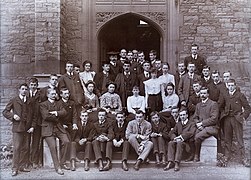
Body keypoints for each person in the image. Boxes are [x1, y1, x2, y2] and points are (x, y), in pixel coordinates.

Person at [2, 83, 34, 176]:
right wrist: (13, 116)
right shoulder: (14, 100)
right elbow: (5, 112)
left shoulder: (30, 101)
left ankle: (23, 166)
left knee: (26, 148)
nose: (24, 91)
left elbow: (33, 115)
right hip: (17, 128)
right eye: (22, 89)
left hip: (27, 128)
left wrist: (32, 126)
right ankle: (14, 168)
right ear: (19, 90)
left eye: (26, 89)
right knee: (17, 148)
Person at [219, 79, 251, 167]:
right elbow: (220, 106)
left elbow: (248, 108)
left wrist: (243, 116)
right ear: (227, 86)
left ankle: (244, 158)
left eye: (232, 85)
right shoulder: (225, 95)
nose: (230, 87)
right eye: (229, 85)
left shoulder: (240, 95)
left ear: (235, 85)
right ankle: (226, 156)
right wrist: (223, 113)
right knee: (227, 139)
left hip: (237, 119)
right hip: (227, 119)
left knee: (239, 139)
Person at [39, 88, 70, 175]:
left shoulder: (58, 103)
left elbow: (64, 112)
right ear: (47, 95)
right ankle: (58, 167)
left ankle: (62, 162)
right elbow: (45, 116)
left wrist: (56, 112)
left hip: (58, 128)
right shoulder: (43, 104)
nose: (54, 95)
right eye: (52, 94)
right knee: (53, 147)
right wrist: (57, 117)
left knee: (66, 141)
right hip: (48, 129)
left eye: (55, 94)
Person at [191, 87, 219, 162]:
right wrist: (198, 124)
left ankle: (196, 155)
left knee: (197, 137)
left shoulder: (213, 104)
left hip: (212, 127)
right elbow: (195, 117)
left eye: (204, 93)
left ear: (208, 94)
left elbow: (214, 119)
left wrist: (202, 124)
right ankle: (191, 154)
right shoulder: (198, 105)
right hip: (200, 127)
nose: (202, 95)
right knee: (190, 135)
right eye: (201, 93)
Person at [58, 88, 78, 171]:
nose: (67, 95)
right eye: (65, 94)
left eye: (68, 93)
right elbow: (57, 117)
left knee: (75, 135)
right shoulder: (58, 103)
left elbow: (74, 114)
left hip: (70, 125)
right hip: (61, 126)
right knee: (67, 141)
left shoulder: (72, 103)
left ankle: (73, 156)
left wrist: (74, 123)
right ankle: (66, 160)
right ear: (61, 95)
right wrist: (62, 125)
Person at [28, 78, 43, 169]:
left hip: (37, 122)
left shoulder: (40, 95)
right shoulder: (25, 94)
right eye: (31, 85)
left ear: (37, 86)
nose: (33, 86)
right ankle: (26, 162)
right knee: (26, 143)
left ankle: (34, 161)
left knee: (36, 142)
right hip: (27, 122)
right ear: (29, 85)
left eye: (34, 85)